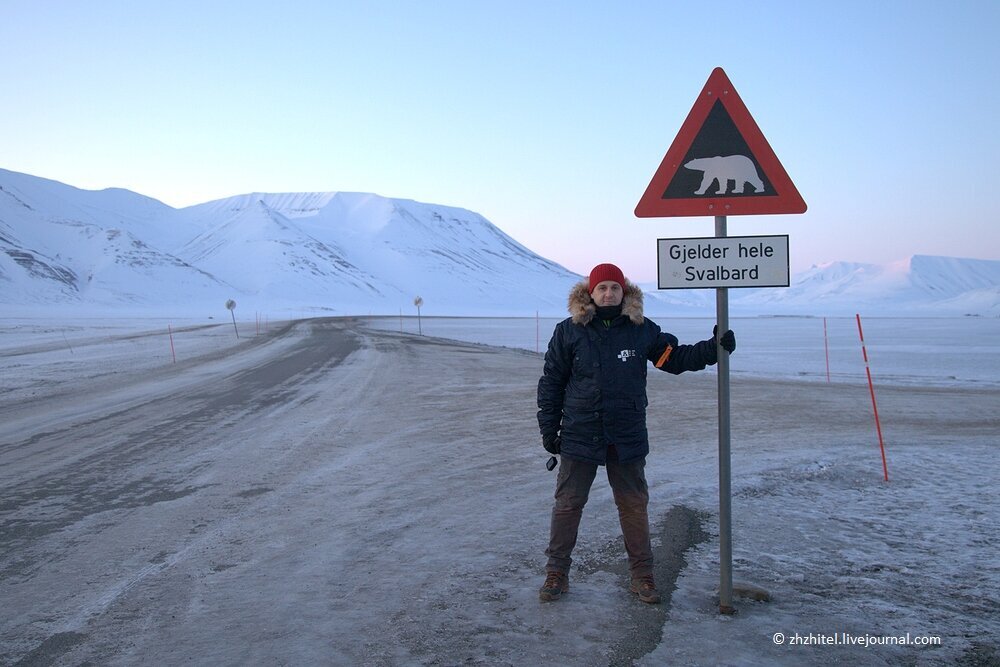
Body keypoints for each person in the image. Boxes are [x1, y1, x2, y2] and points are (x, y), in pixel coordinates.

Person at [536, 262, 735, 603]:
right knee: (568, 505)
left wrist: (711, 349)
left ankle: (643, 577)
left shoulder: (641, 330)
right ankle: (556, 573)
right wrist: (549, 429)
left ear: (624, 292)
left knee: (633, 506)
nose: (609, 293)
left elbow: (672, 359)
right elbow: (551, 383)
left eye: (615, 287)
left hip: (626, 435)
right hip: (580, 433)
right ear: (591, 293)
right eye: (602, 288)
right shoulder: (569, 331)